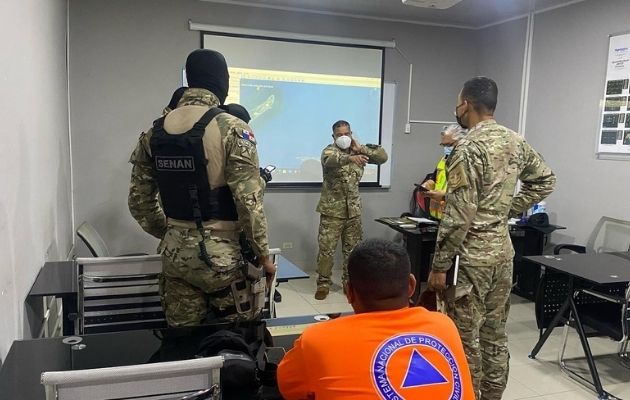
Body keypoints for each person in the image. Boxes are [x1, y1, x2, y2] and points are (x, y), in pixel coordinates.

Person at [428, 77, 556, 400]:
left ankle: (467, 394)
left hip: (469, 260)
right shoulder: (514, 140)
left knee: (464, 337)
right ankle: (493, 395)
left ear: (466, 104)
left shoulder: (468, 148)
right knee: (495, 333)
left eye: (459, 103)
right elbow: (545, 180)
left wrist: (439, 265)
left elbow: (459, 215)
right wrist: (505, 209)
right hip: (502, 253)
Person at [128, 49, 275, 326]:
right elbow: (249, 204)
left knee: (182, 347)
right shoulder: (233, 128)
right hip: (225, 262)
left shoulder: (154, 132)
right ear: (223, 82)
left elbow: (139, 203)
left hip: (175, 259)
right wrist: (264, 256)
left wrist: (175, 233)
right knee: (236, 347)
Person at [278, 239, 475, 400]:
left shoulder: (317, 339)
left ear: (349, 292)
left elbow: (287, 388)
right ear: (411, 285)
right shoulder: (444, 325)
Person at [315, 120, 388, 300]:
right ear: (333, 136)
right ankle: (323, 283)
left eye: (346, 134)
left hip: (353, 211)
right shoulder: (329, 151)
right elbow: (329, 160)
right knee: (326, 250)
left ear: (351, 134)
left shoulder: (358, 150)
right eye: (339, 135)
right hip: (332, 211)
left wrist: (361, 148)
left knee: (353, 251)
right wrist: (349, 158)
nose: (343, 137)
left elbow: (382, 157)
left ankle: (349, 283)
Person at [421, 124, 468, 220]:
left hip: (456, 218)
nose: (446, 148)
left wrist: (444, 196)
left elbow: (467, 195)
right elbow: (435, 179)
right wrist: (427, 186)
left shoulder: (468, 163)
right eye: (443, 145)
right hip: (438, 216)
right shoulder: (444, 160)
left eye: (449, 145)